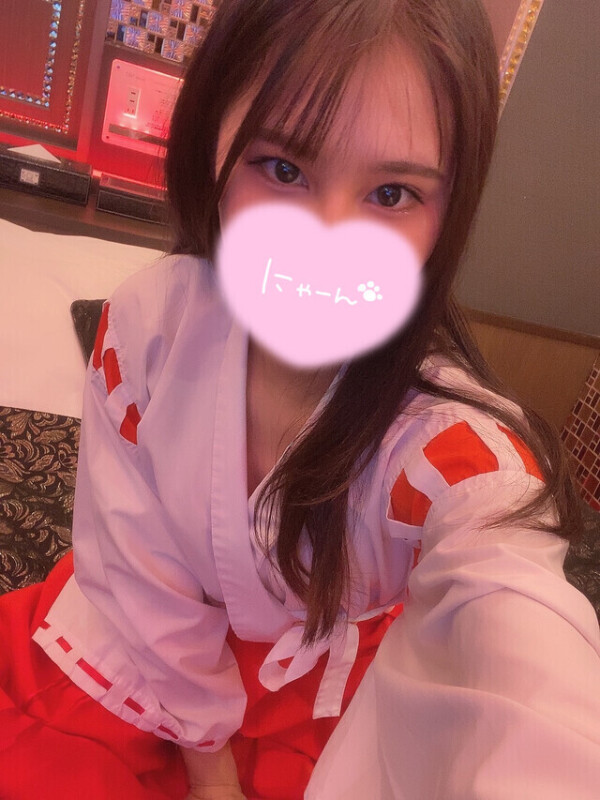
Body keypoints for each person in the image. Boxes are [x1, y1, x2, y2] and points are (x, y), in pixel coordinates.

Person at [1, 1, 599, 798]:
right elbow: (136, 563)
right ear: (213, 143)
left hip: (316, 705)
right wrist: (212, 775)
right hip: (138, 656)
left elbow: (521, 633)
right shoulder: (149, 328)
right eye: (283, 169)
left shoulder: (448, 449)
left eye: (392, 193)